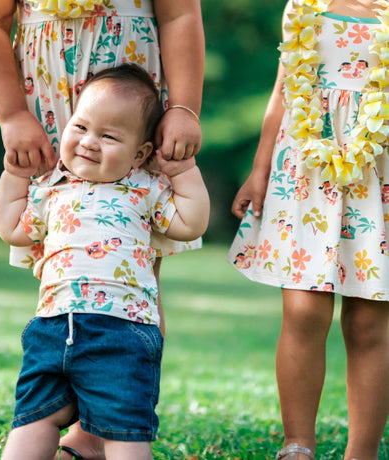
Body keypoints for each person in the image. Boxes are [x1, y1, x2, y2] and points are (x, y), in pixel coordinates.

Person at [0, 1, 204, 457]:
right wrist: (13, 121)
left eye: (107, 139)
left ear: (142, 153)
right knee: (59, 249)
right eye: (84, 131)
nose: (91, 142)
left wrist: (185, 116)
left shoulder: (142, 186)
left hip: (135, 68)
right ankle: (67, 408)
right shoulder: (52, 187)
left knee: (141, 274)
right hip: (49, 79)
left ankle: (99, 432)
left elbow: (180, 15)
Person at [227, 0, 389, 459]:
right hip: (307, 173)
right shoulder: (302, 8)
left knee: (369, 321)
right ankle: (297, 445)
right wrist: (259, 170)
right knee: (303, 311)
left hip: (378, 175)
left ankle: (363, 452)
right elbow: (282, 93)